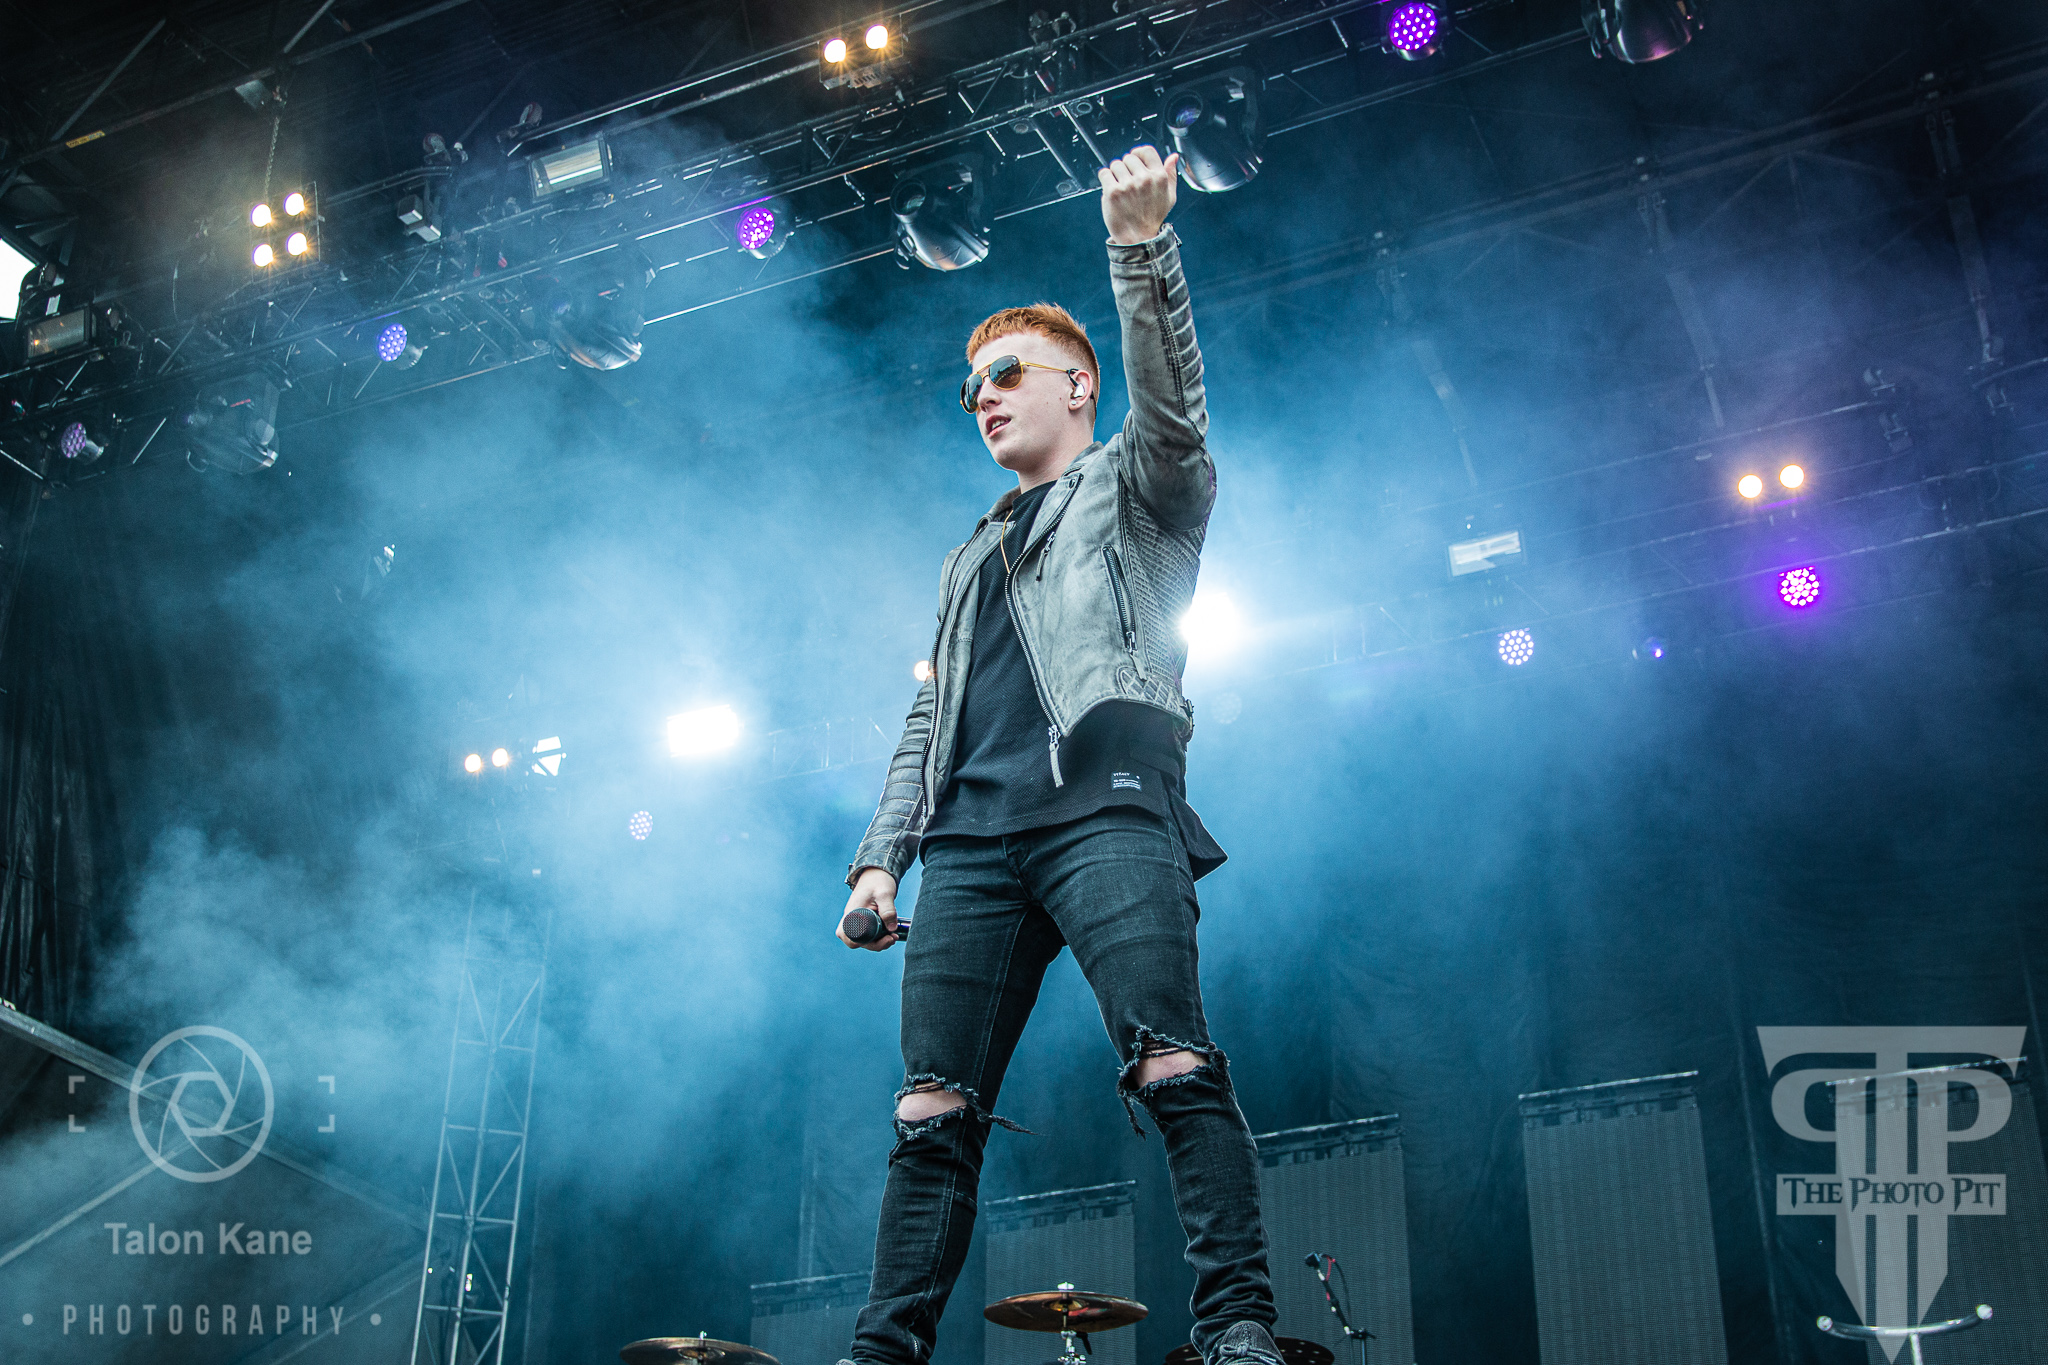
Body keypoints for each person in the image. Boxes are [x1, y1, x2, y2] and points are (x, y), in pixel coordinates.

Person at [836, 145, 1279, 1365]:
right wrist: (878, 860)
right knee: (928, 1112)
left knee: (1171, 1061)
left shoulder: (1135, 490)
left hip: (1103, 810)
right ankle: (882, 1351)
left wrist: (1140, 248)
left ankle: (1237, 1325)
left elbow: (1173, 406)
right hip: (966, 849)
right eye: (967, 389)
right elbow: (928, 721)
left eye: (1003, 375)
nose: (981, 399)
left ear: (1077, 387)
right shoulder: (963, 556)